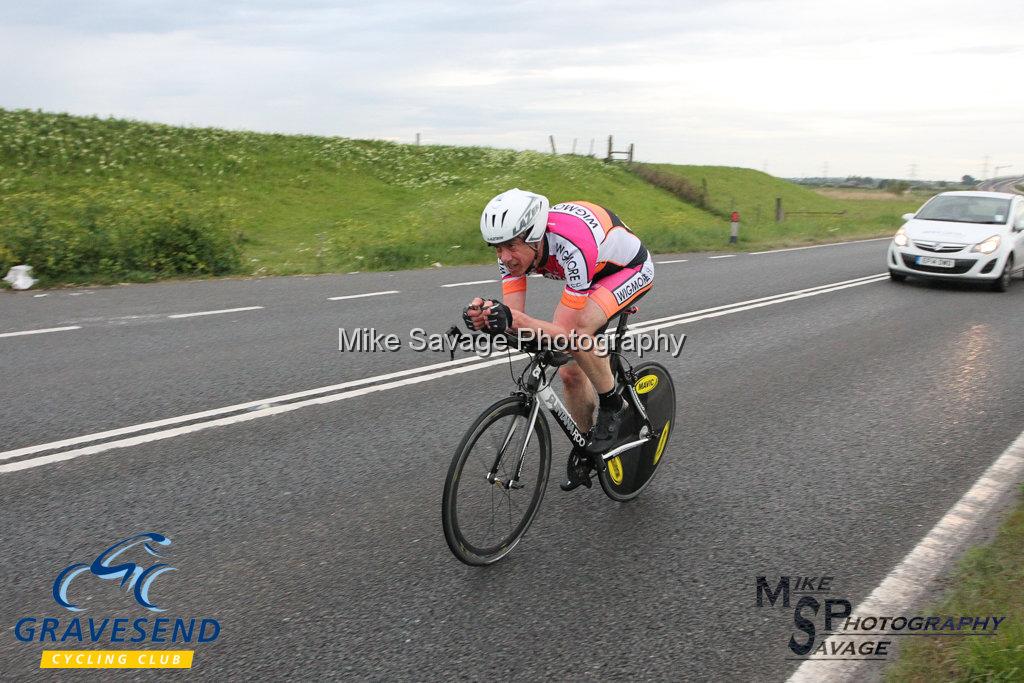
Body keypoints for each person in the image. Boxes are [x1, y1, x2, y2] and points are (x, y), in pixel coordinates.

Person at [463, 188, 654, 490]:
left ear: (534, 235)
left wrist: (516, 321)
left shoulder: (570, 246)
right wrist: (489, 319)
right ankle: (588, 443)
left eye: (510, 246)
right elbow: (514, 317)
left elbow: (564, 335)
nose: (504, 257)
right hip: (593, 271)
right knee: (568, 372)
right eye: (496, 248)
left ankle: (613, 404)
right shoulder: (512, 255)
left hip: (627, 270)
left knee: (578, 335)